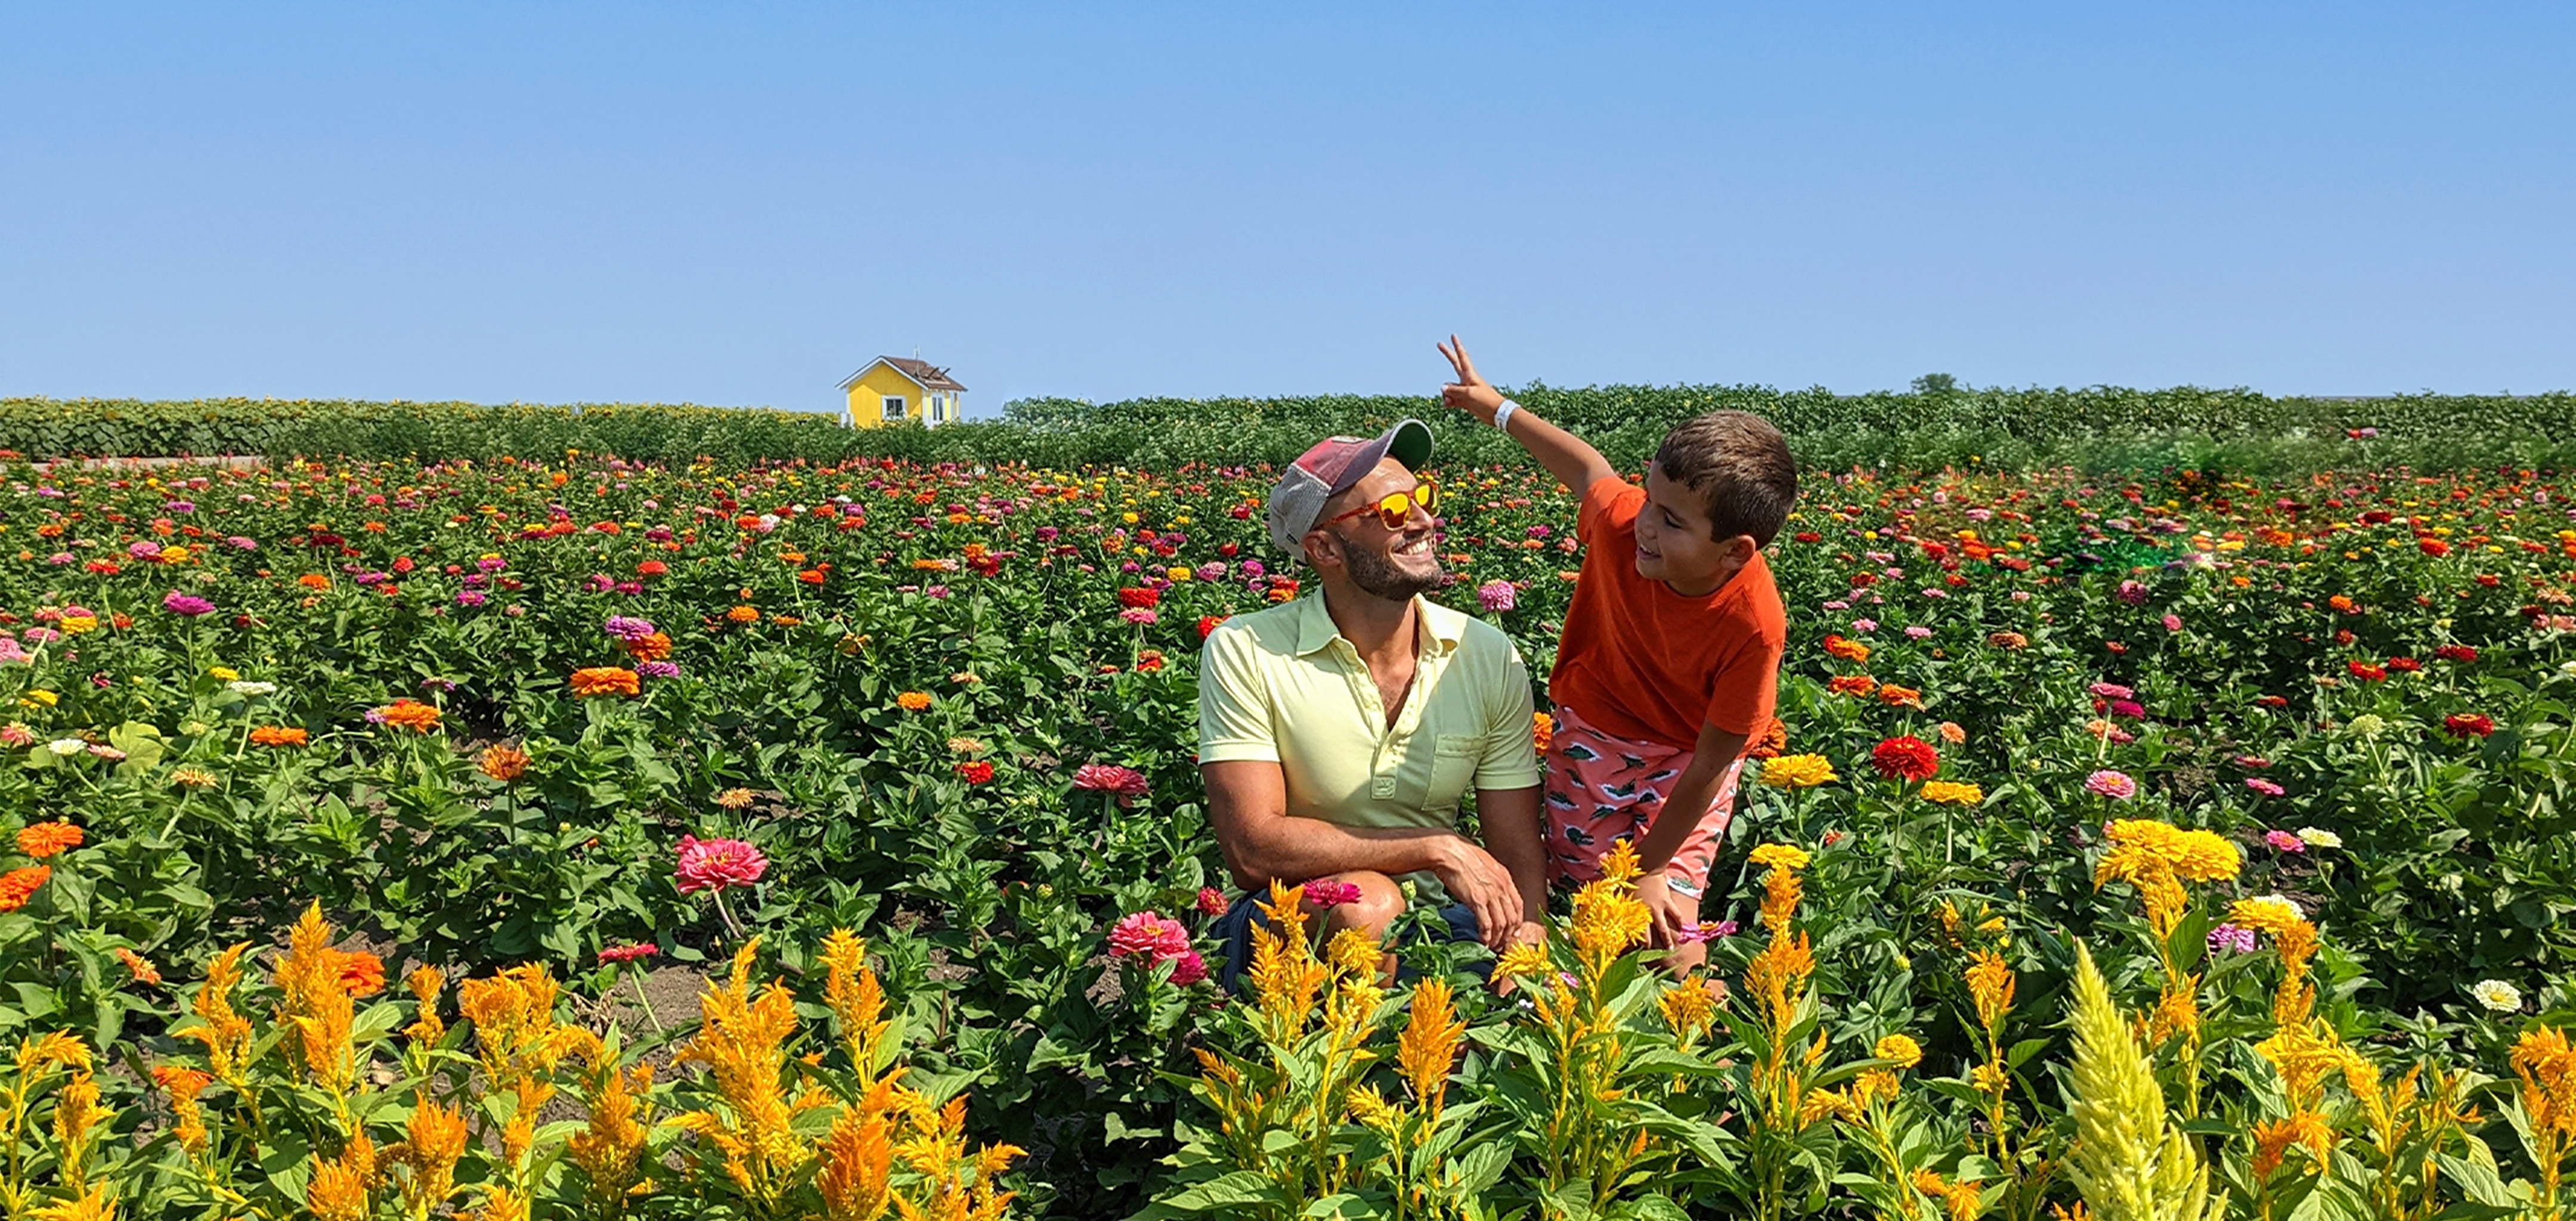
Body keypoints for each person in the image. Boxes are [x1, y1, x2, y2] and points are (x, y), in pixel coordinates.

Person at [1438, 337, 1795, 971]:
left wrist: (1654, 866)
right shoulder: (1625, 521)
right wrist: (1494, 406)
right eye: (1651, 500)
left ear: (1736, 552)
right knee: (1588, 908)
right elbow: (1587, 470)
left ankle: (1682, 1038)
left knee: (1665, 926)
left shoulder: (1755, 624)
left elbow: (1714, 761)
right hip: (1596, 735)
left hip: (1688, 761)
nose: (1647, 526)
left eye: (1674, 521)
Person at [1198, 419, 1548, 987]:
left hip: (1445, 921)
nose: (1424, 520)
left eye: (1423, 497)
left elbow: (1515, 843)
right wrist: (1434, 848)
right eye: (1391, 511)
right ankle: (1355, 1069)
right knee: (1370, 906)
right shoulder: (1248, 648)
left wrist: (1530, 937)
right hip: (1287, 920)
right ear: (1325, 548)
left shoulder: (1483, 653)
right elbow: (1253, 849)